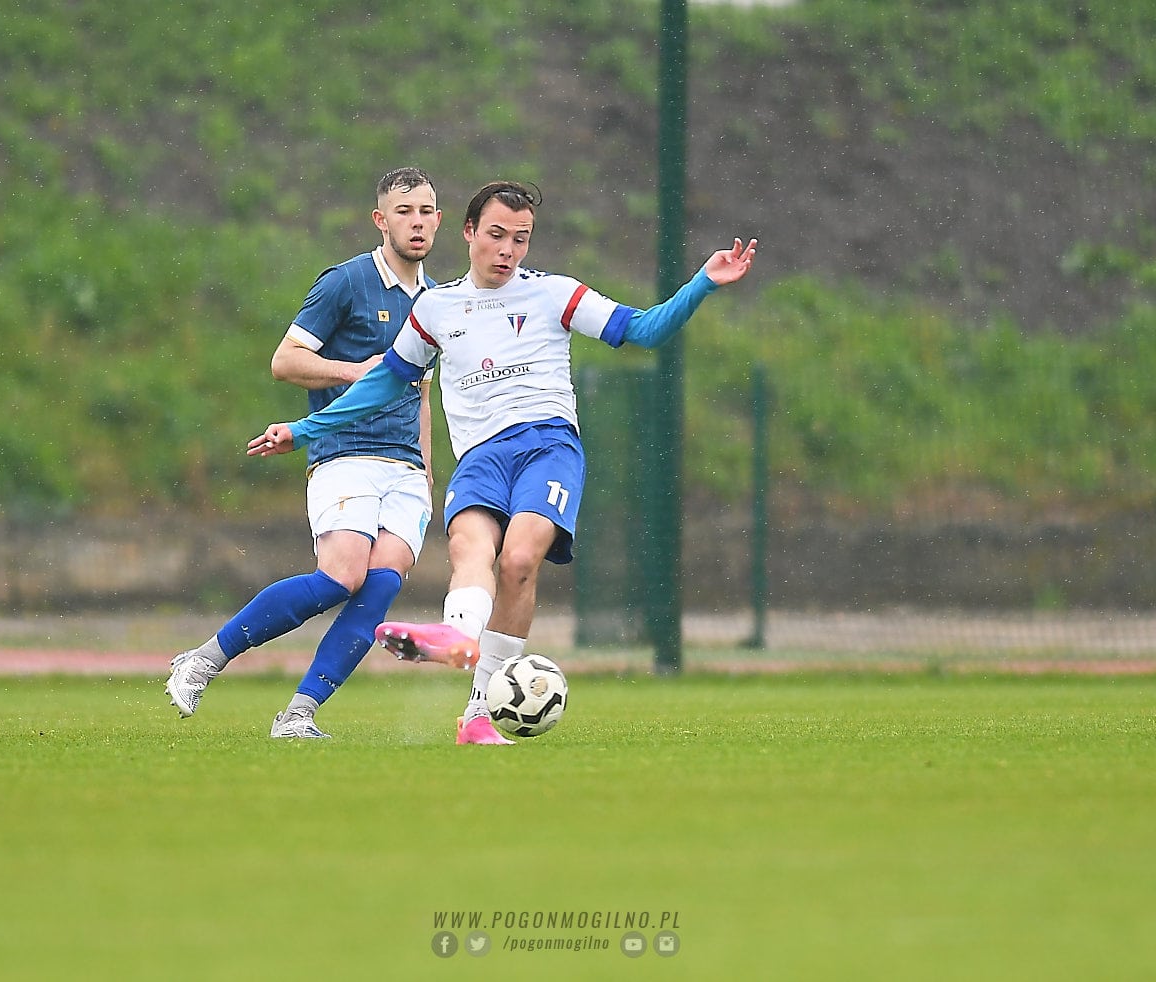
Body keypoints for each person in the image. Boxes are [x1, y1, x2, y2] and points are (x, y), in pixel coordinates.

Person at [247, 180, 758, 744]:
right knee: (470, 549)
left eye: (521, 238)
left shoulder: (555, 293)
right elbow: (381, 385)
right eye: (496, 235)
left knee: (517, 561)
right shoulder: (434, 309)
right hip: (479, 458)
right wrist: (303, 431)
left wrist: (703, 281)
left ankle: (478, 712)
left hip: (548, 447)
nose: (508, 250)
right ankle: (457, 639)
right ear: (468, 232)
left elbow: (644, 329)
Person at [166, 166, 456, 739]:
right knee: (339, 578)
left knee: (380, 587)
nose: (416, 222)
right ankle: (203, 660)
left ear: (439, 220)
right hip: (344, 454)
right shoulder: (346, 282)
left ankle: (299, 715)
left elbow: (421, 392)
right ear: (380, 221)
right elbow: (285, 361)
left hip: (405, 469)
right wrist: (355, 371)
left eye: (425, 212)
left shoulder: (438, 302)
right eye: (403, 212)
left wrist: (427, 470)